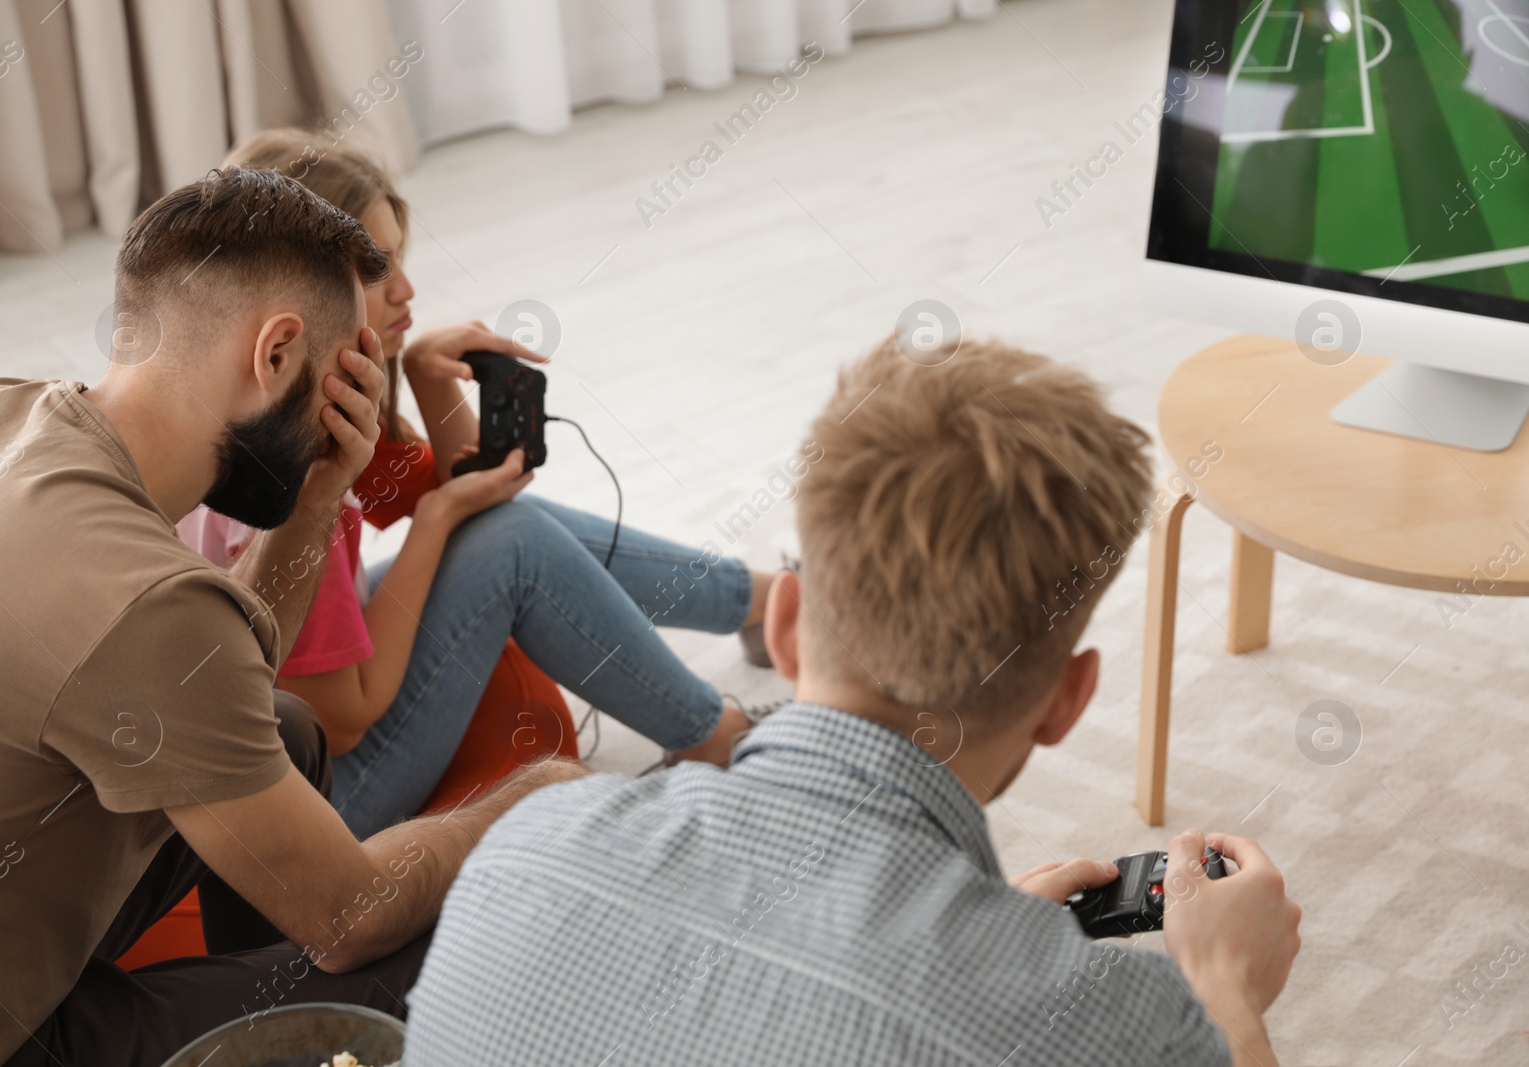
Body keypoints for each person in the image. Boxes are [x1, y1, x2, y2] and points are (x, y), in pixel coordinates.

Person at [400, 337, 1303, 1066]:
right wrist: (1224, 992)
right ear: (1067, 702)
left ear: (785, 626)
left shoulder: (523, 848)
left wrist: (989, 931)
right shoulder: (1123, 1031)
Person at [0, 166, 588, 1067]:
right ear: (277, 354)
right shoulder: (144, 606)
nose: (353, 400)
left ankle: (248, 1003)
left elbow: (218, 666)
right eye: (346, 367)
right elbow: (349, 917)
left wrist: (319, 495)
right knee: (431, 935)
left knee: (286, 727)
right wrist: (535, 798)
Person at [176, 129, 780, 839]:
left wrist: (431, 381)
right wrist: (434, 521)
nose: (406, 288)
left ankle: (761, 601)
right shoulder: (298, 486)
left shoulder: (262, 400)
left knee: (495, 527)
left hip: (289, 755)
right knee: (512, 545)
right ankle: (719, 737)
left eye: (399, 256)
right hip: (323, 811)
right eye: (378, 268)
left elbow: (474, 493)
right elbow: (343, 722)